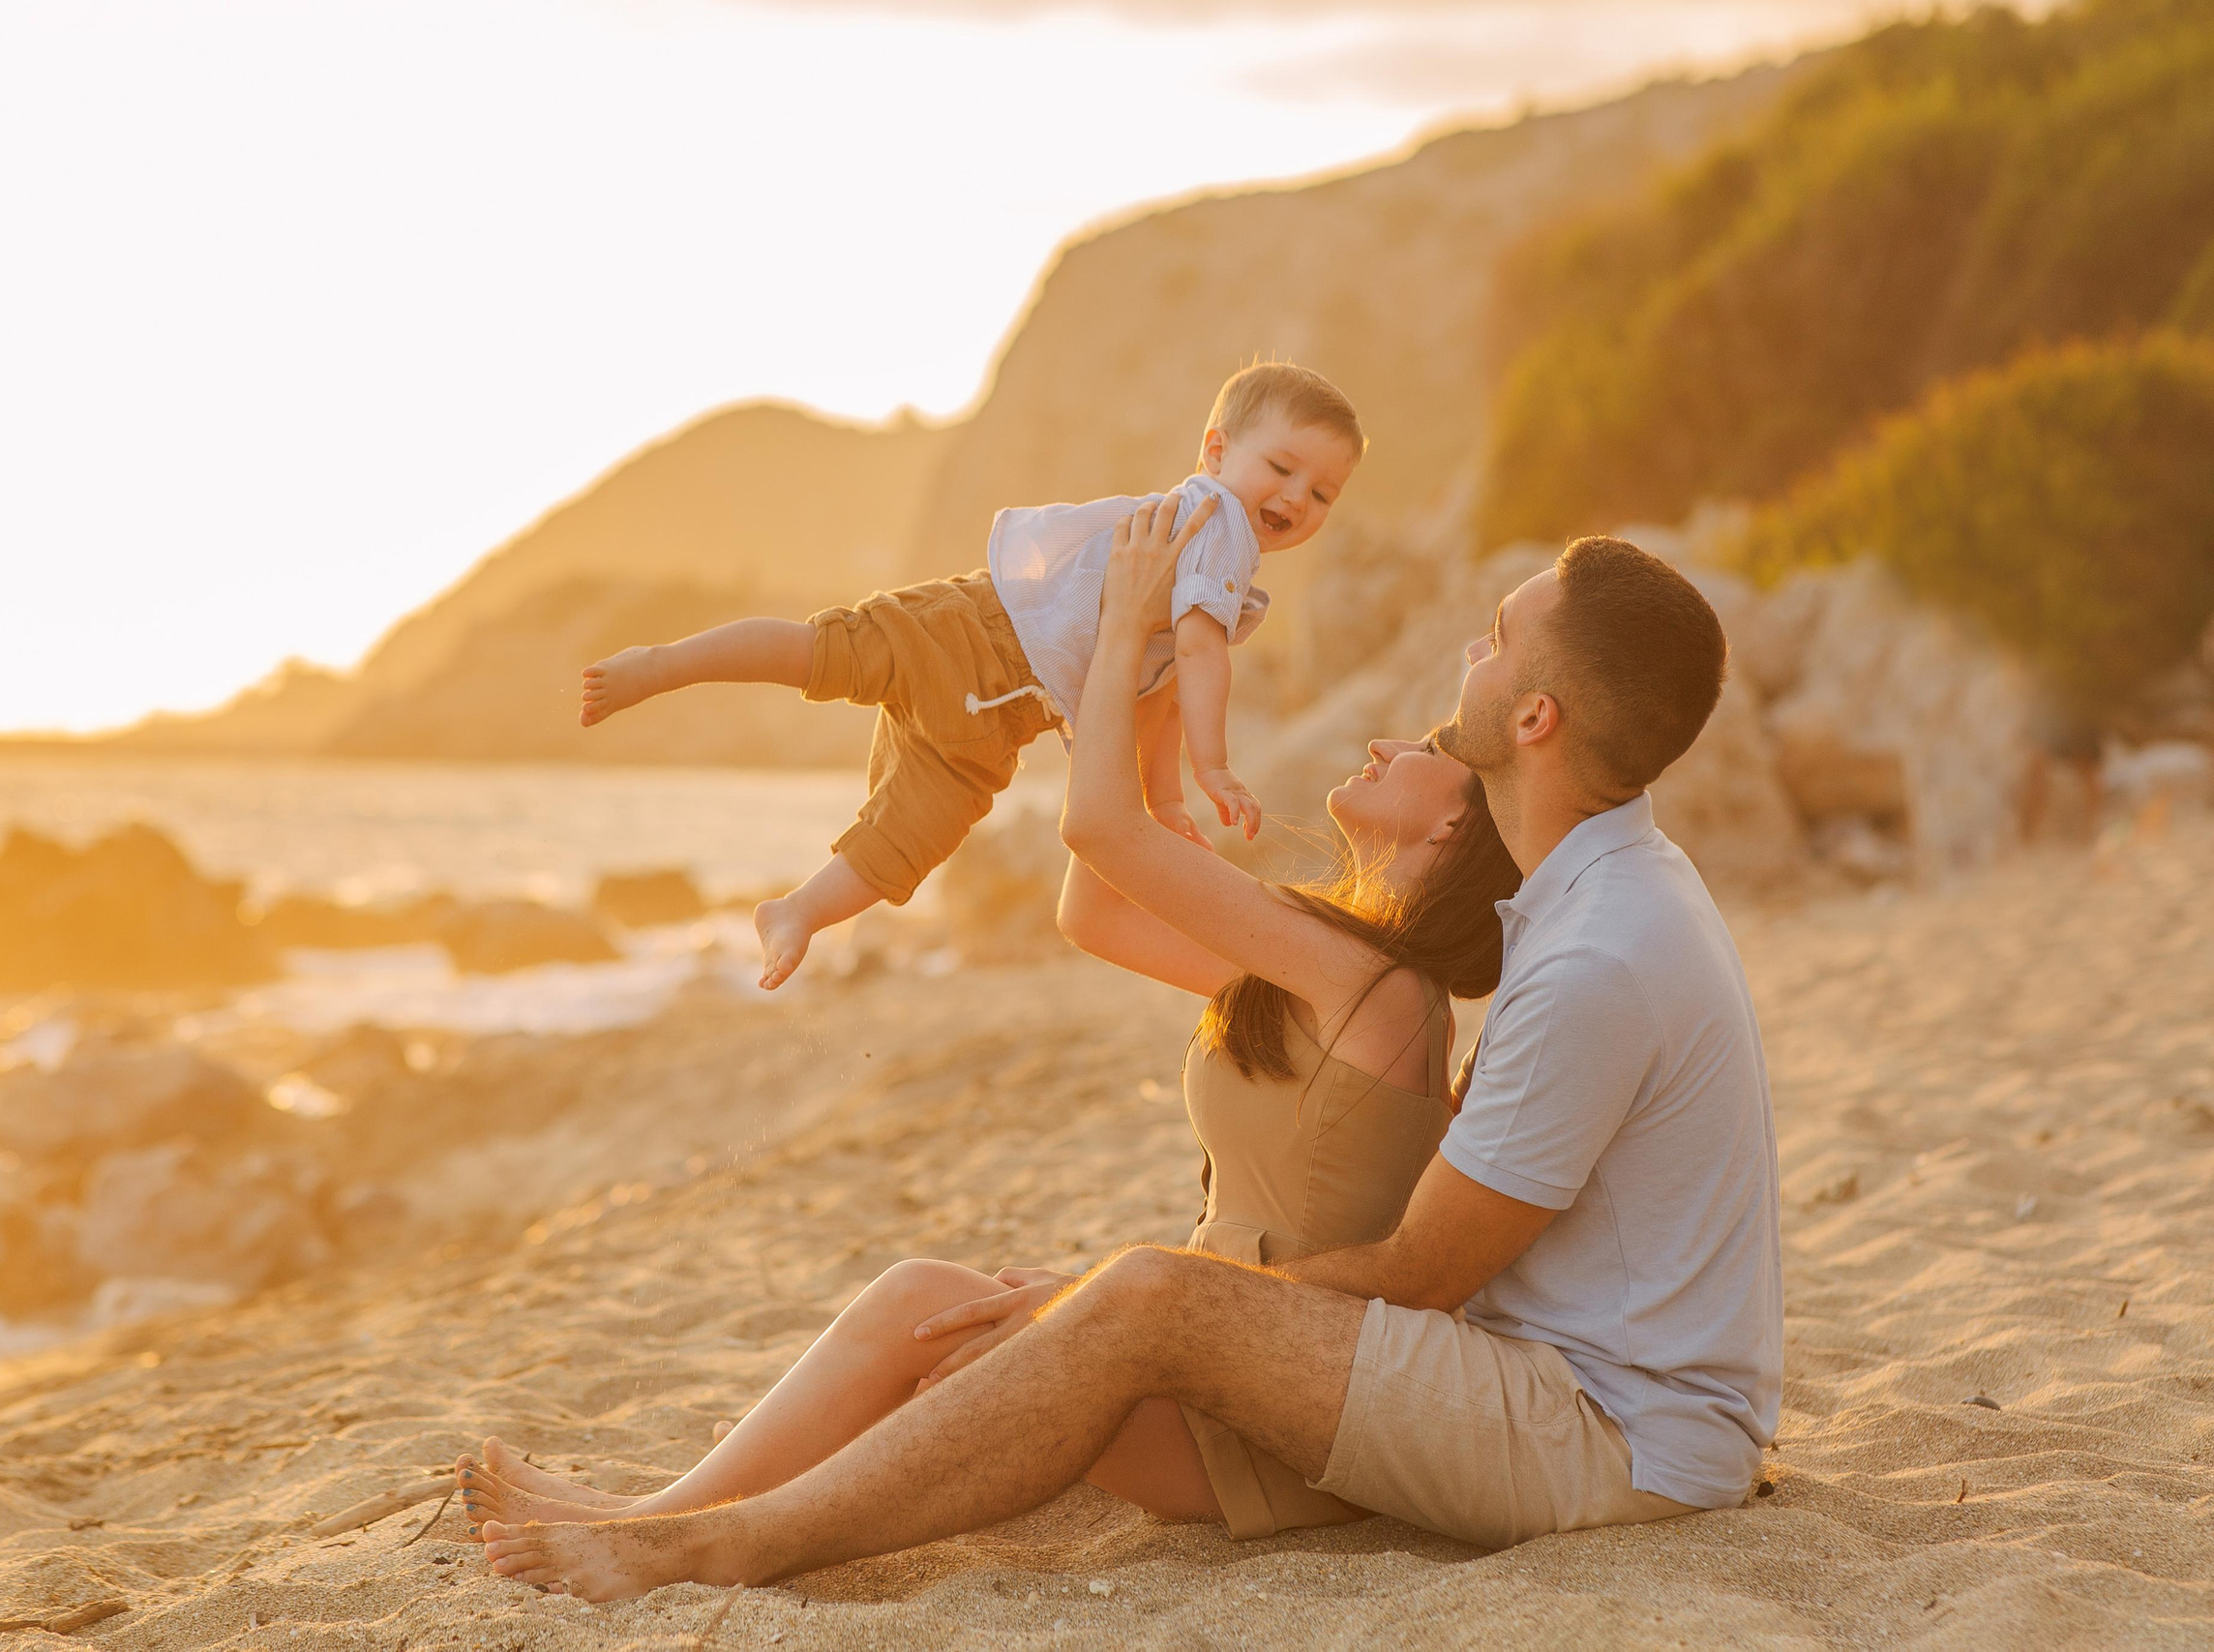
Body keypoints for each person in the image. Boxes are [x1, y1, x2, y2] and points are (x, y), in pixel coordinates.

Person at [482, 508, 1781, 1599]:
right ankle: (681, 1508)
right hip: (1593, 1393)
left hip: (1613, 1433)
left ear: (1539, 715)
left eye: (1495, 639)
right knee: (1083, 1302)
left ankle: (725, 1539)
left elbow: (1422, 1267)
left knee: (1147, 1295)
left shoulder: (1594, 950)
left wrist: (1134, 1304)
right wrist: (1110, 1306)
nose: (1467, 650)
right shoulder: (1593, 898)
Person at [576, 362, 1364, 989]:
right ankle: (667, 668)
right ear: (1217, 451)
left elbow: (1150, 693)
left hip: (995, 705)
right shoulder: (1219, 529)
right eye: (1283, 467)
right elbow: (1197, 657)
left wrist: (1162, 796)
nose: (1296, 496)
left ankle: (794, 909)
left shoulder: (1206, 548)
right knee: (870, 754)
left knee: (832, 682)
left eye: (1321, 491)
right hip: (979, 647)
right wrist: (1213, 767)